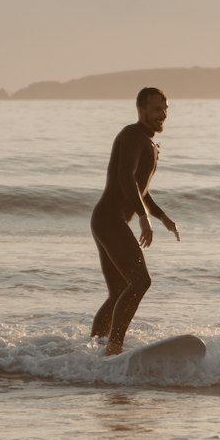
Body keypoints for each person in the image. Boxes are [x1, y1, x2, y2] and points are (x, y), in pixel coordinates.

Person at [90, 87, 180, 355]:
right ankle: (113, 346)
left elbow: (141, 189)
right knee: (140, 282)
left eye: (165, 109)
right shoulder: (132, 136)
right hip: (109, 220)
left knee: (119, 290)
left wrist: (162, 217)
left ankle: (95, 346)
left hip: (106, 220)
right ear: (140, 110)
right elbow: (125, 178)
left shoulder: (147, 141)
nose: (162, 114)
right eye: (156, 109)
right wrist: (142, 218)